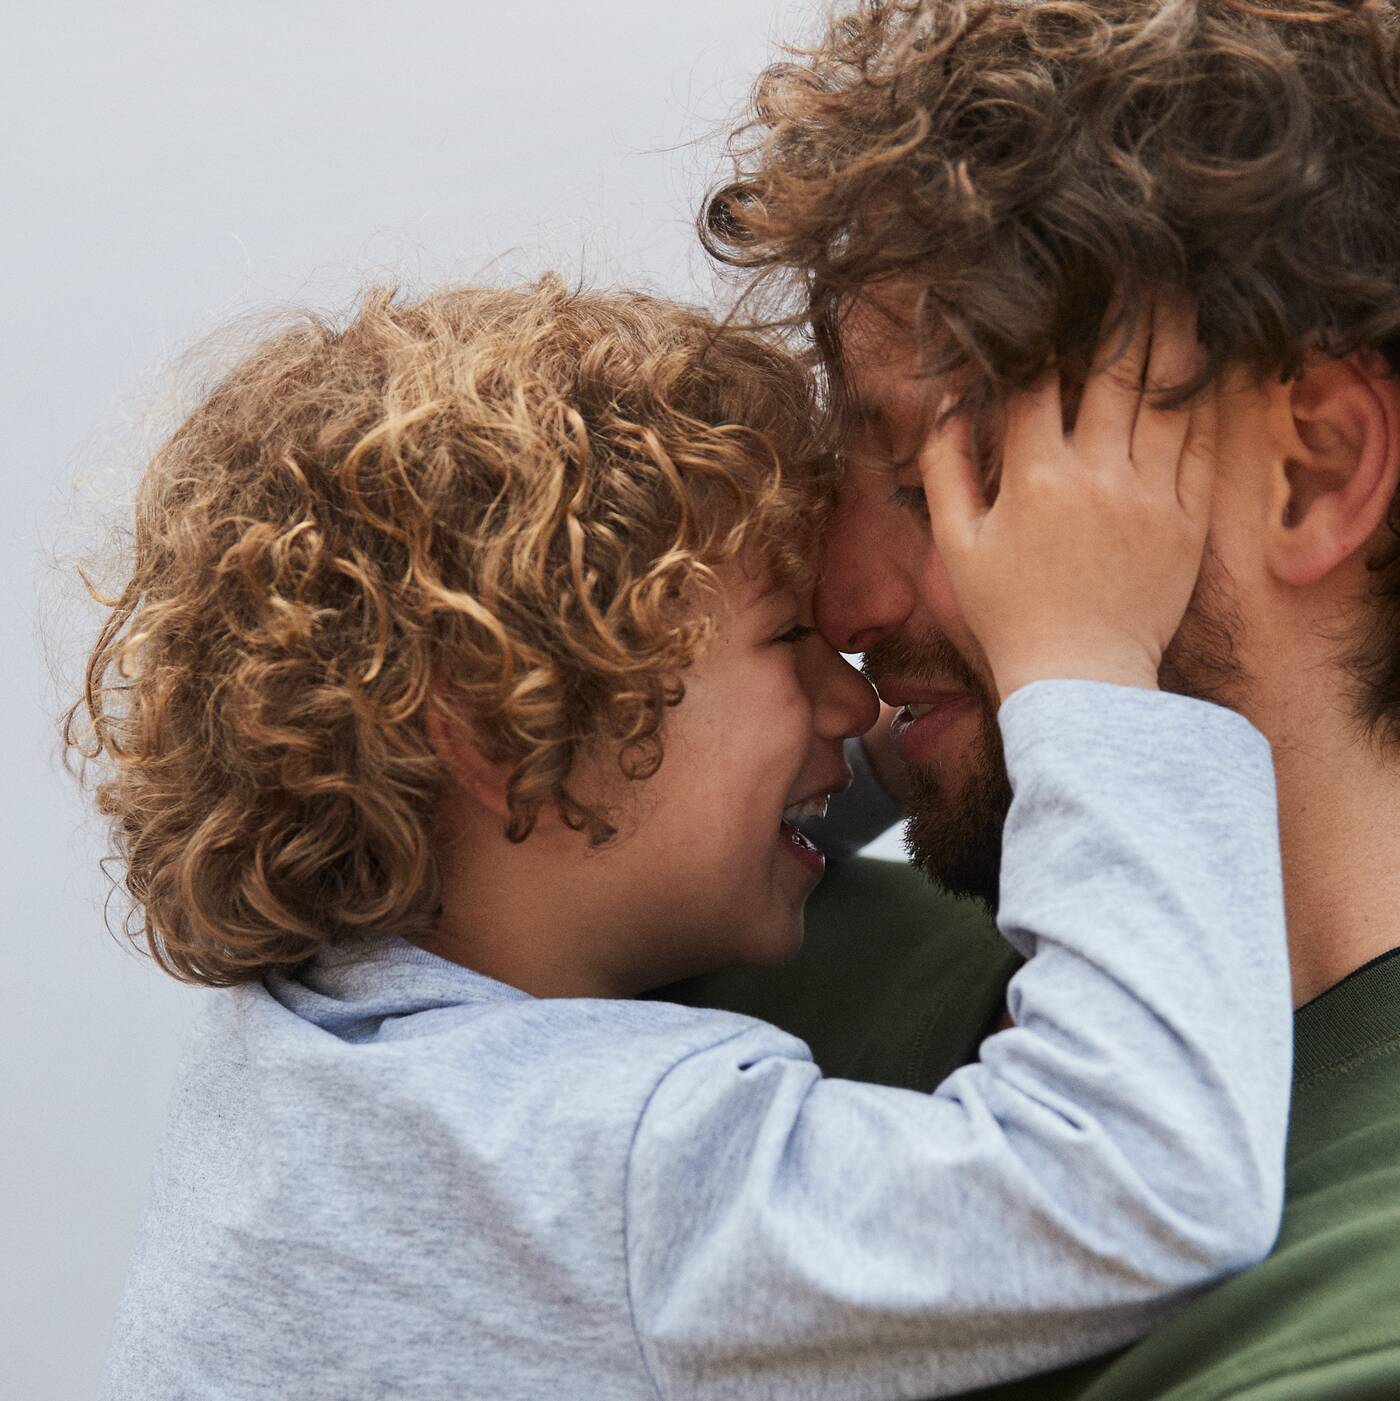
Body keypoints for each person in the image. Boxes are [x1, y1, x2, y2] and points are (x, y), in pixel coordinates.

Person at [67, 275, 1291, 1399]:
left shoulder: (317, 1053)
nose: (851, 697)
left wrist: (934, 736)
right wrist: (1080, 673)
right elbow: (1136, 1187)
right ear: (502, 731)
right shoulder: (603, 1165)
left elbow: (657, 815)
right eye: (785, 640)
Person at [684, 0, 1400, 1394]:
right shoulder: (739, 955)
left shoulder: (1353, 1320)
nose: (845, 602)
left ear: (1310, 471)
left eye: (943, 479)